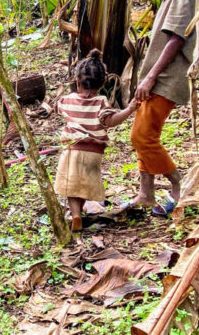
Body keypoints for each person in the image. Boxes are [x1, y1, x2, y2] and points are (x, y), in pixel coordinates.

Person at [129, 0, 197, 216]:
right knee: (143, 135)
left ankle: (180, 186)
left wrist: (150, 78)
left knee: (143, 136)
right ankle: (146, 194)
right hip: (155, 79)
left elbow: (177, 39)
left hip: (167, 79)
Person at [54, 50, 139, 232]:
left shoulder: (67, 100)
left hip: (72, 150)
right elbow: (110, 121)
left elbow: (56, 108)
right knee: (83, 185)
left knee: (72, 186)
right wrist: (129, 109)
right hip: (93, 153)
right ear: (102, 83)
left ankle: (76, 213)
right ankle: (79, 214)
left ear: (77, 81)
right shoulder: (101, 101)